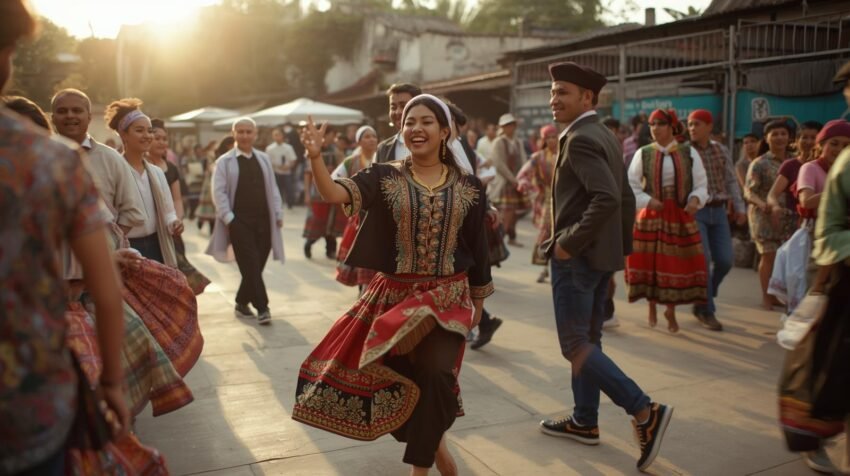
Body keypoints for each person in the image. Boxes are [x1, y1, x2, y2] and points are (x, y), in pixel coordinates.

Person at [292, 94, 493, 476]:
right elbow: (335, 193)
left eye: (426, 122)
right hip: (394, 303)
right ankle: (439, 451)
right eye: (409, 123)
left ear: (445, 131)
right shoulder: (385, 176)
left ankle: (419, 469)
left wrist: (479, 299)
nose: (416, 128)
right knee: (409, 382)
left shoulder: (469, 186)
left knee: (436, 373)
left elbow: (477, 247)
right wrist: (316, 157)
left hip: (447, 300)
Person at [0, 4, 129, 472]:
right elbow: (108, 288)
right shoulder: (53, 161)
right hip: (30, 404)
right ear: (9, 53)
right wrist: (113, 383)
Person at [540, 62, 672, 472]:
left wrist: (566, 244)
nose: (554, 99)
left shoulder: (580, 138)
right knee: (589, 341)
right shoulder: (604, 134)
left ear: (588, 99)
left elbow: (608, 199)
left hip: (578, 260)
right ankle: (585, 420)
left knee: (575, 345)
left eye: (563, 92)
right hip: (597, 258)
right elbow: (624, 197)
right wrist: (618, 252)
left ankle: (644, 410)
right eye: (553, 91)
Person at [625, 109, 709, 332]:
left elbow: (701, 184)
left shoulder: (688, 152)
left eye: (660, 124)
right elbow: (631, 185)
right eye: (652, 124)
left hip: (679, 214)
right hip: (651, 213)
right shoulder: (643, 153)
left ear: (672, 126)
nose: (655, 128)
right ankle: (652, 305)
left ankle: (670, 310)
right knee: (651, 263)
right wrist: (647, 200)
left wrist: (694, 200)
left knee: (675, 263)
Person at [207, 117, 284, 325]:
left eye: (248, 132)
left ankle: (241, 301)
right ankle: (263, 307)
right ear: (234, 134)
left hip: (264, 220)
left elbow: (273, 188)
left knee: (256, 265)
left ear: (255, 134)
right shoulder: (224, 161)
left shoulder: (263, 158)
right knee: (250, 263)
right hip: (239, 222)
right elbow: (219, 192)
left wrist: (277, 213)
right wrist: (230, 218)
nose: (244, 135)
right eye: (240, 131)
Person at [50, 88, 146, 236]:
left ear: (89, 117)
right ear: (53, 118)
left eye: (77, 110)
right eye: (62, 111)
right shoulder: (39, 157)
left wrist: (110, 243)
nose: (70, 115)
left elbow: (132, 211)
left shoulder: (110, 158)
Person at [104, 98, 183, 266]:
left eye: (149, 131)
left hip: (157, 245)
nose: (147, 136)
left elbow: (168, 211)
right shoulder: (113, 172)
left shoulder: (156, 173)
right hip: (126, 248)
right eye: (139, 130)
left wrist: (173, 222)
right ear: (123, 133)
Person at [687, 109, 745, 331]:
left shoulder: (721, 150)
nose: (693, 128)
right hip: (697, 211)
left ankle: (704, 295)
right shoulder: (685, 152)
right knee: (702, 261)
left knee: (724, 261)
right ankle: (707, 309)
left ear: (709, 127)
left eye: (698, 124)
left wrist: (739, 208)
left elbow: (731, 181)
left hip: (719, 211)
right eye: (690, 124)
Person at [149, 118, 210, 295]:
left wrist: (176, 219)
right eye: (156, 137)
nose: (161, 142)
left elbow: (177, 199)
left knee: (177, 275)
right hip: (149, 231)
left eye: (164, 138)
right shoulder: (139, 166)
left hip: (171, 229)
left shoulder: (171, 168)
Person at [746, 120, 798, 310]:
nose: (779, 137)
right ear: (766, 139)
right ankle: (766, 297)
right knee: (769, 255)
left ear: (789, 137)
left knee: (784, 257)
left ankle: (778, 294)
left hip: (789, 216)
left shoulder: (795, 160)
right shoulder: (759, 163)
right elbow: (749, 191)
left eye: (783, 133)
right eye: (774, 134)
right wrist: (763, 205)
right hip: (764, 216)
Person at [332, 125, 380, 292]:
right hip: (359, 217)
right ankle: (363, 289)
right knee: (361, 253)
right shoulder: (351, 161)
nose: (372, 139)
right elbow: (335, 180)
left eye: (374, 136)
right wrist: (349, 197)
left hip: (380, 216)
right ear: (359, 141)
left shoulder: (382, 158)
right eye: (367, 136)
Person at [518, 124, 558, 283]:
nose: (551, 140)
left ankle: (556, 268)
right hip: (546, 199)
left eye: (554, 137)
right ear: (543, 140)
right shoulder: (538, 157)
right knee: (546, 233)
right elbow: (523, 174)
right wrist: (524, 183)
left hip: (564, 199)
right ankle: (544, 268)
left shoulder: (565, 154)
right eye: (548, 137)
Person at [766, 121, 822, 233]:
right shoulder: (790, 165)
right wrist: (775, 207)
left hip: (823, 222)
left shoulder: (826, 165)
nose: (809, 142)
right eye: (804, 137)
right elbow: (772, 195)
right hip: (796, 225)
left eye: (813, 138)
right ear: (796, 141)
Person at [303, 124, 347, 259]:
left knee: (332, 221)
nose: (333, 138)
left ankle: (330, 250)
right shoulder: (312, 150)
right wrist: (307, 194)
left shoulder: (337, 151)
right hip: (317, 193)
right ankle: (309, 244)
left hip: (333, 191)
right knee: (318, 220)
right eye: (331, 135)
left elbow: (343, 170)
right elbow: (307, 174)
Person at [488, 113, 529, 247]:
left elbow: (523, 160)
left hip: (516, 182)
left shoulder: (518, 142)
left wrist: (522, 176)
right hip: (504, 183)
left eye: (512, 125)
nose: (510, 127)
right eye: (507, 125)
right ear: (502, 127)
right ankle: (499, 240)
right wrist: (512, 179)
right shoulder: (498, 142)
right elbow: (499, 164)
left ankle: (511, 237)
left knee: (514, 212)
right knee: (507, 212)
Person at [196, 136, 234, 234]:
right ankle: (204, 223)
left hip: (216, 181)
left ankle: (210, 227)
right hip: (210, 183)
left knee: (214, 209)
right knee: (211, 208)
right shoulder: (215, 155)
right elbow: (210, 168)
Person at [376, 83, 422, 163]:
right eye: (393, 107)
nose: (398, 112)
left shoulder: (435, 144)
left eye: (403, 106)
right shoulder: (383, 149)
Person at [266, 128, 298, 209]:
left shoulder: (288, 147)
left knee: (289, 189)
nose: (277, 137)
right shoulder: (269, 148)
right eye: (275, 135)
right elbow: (267, 161)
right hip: (276, 172)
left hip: (287, 172)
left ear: (282, 136)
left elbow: (293, 159)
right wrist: (277, 167)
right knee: (278, 190)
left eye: (278, 135)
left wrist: (288, 166)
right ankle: (278, 205)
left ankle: (290, 204)